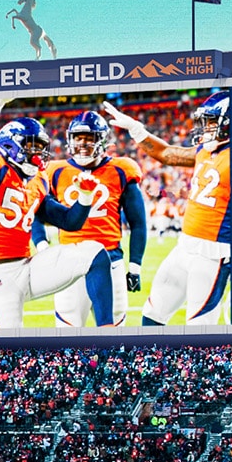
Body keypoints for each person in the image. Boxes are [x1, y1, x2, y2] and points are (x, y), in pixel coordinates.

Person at [0, 98, 113, 328]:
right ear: (11, 145)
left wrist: (85, 196)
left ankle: (107, 330)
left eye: (42, 148)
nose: (38, 153)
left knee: (94, 253)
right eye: (32, 145)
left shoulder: (38, 181)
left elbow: (69, 221)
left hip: (28, 266)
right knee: (6, 354)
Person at [103, 92, 232, 325]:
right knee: (153, 314)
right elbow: (167, 154)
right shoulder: (205, 150)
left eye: (212, 122)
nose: (206, 128)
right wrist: (137, 130)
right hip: (184, 246)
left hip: (214, 254)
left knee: (199, 329)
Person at [35, 110, 147, 327]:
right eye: (78, 138)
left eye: (90, 138)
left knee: (113, 336)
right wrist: (41, 246)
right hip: (69, 260)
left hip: (110, 259)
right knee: (68, 332)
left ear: (103, 141)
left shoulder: (122, 169)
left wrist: (135, 266)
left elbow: (138, 223)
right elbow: (36, 211)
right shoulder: (55, 171)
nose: (83, 144)